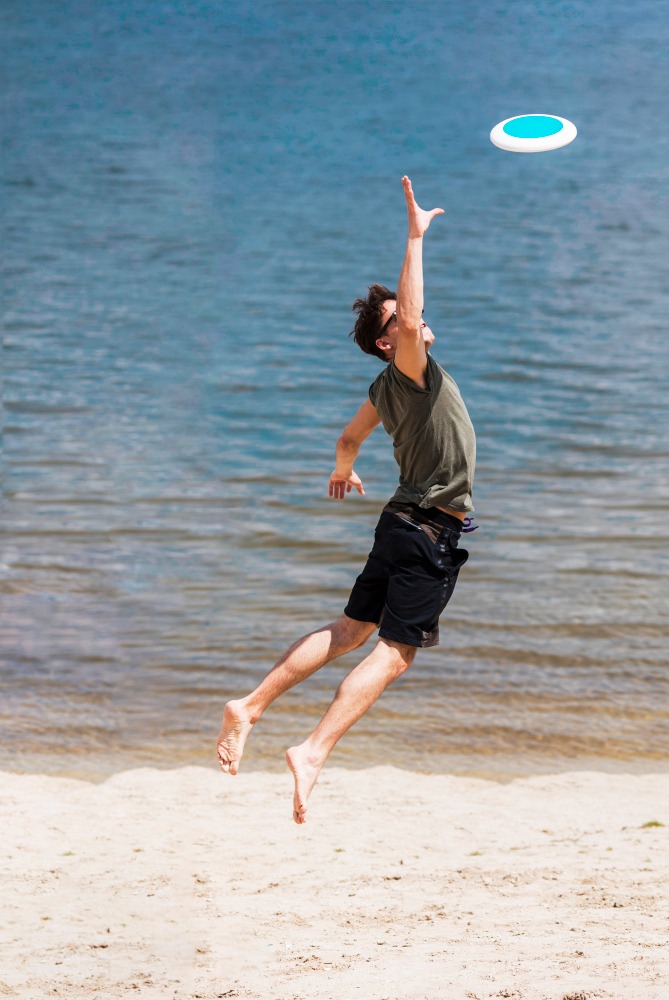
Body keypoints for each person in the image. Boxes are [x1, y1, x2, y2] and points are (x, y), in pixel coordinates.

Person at [216, 176, 476, 824]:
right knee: (393, 653)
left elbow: (347, 436)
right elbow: (412, 316)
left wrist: (344, 470)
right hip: (427, 530)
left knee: (350, 630)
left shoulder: (384, 386)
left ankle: (249, 706)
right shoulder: (411, 370)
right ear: (391, 342)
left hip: (398, 523)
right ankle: (312, 750)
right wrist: (415, 239)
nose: (412, 322)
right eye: (398, 322)